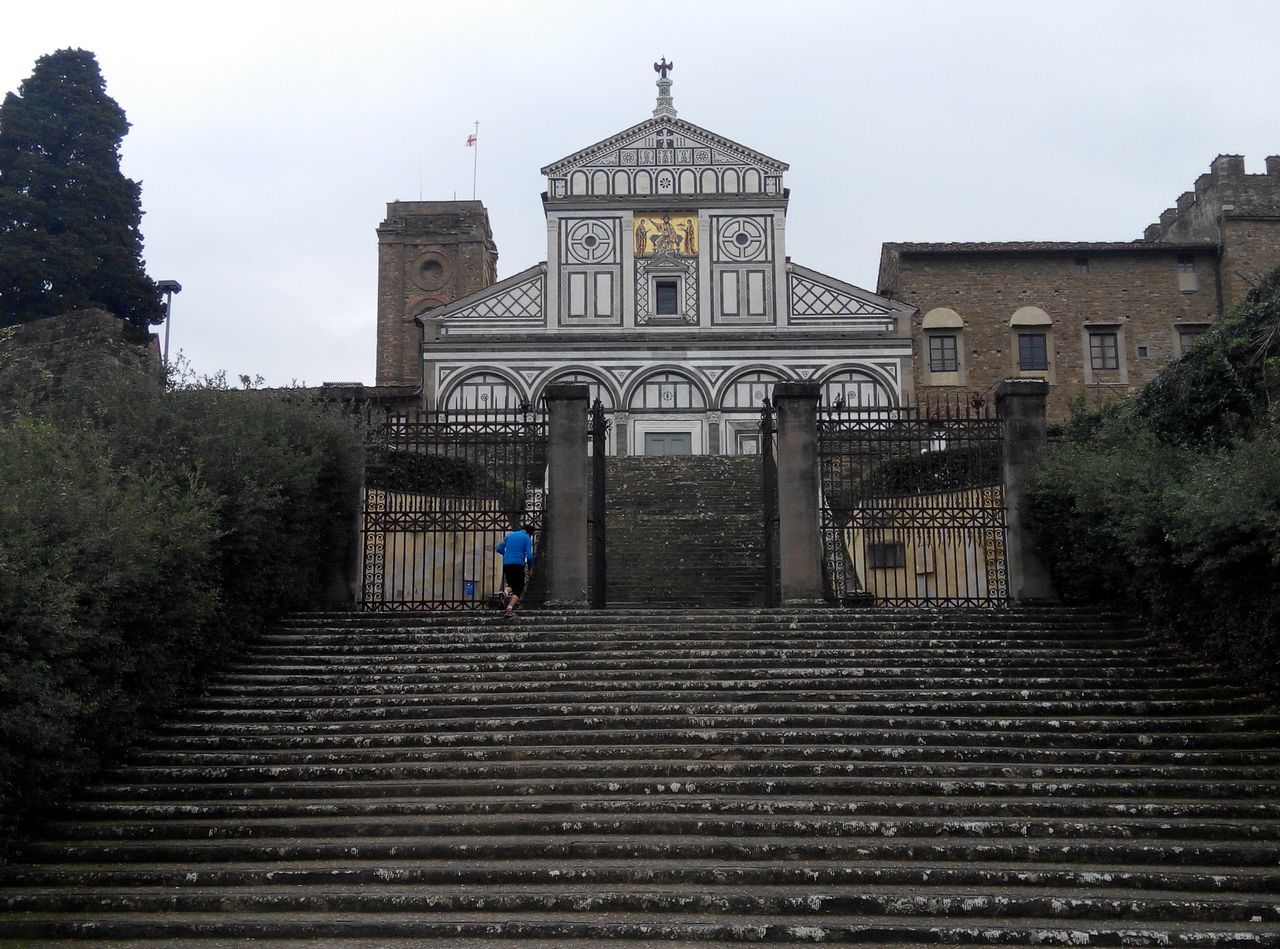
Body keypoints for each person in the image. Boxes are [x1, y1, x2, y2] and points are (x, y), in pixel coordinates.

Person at [495, 523, 535, 618]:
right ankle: (509, 609)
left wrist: (508, 554)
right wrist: (530, 568)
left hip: (507, 564)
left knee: (511, 585)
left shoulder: (509, 535)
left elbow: (499, 548)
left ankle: (504, 593)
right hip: (518, 564)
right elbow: (529, 556)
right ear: (529, 533)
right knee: (518, 588)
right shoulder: (526, 538)